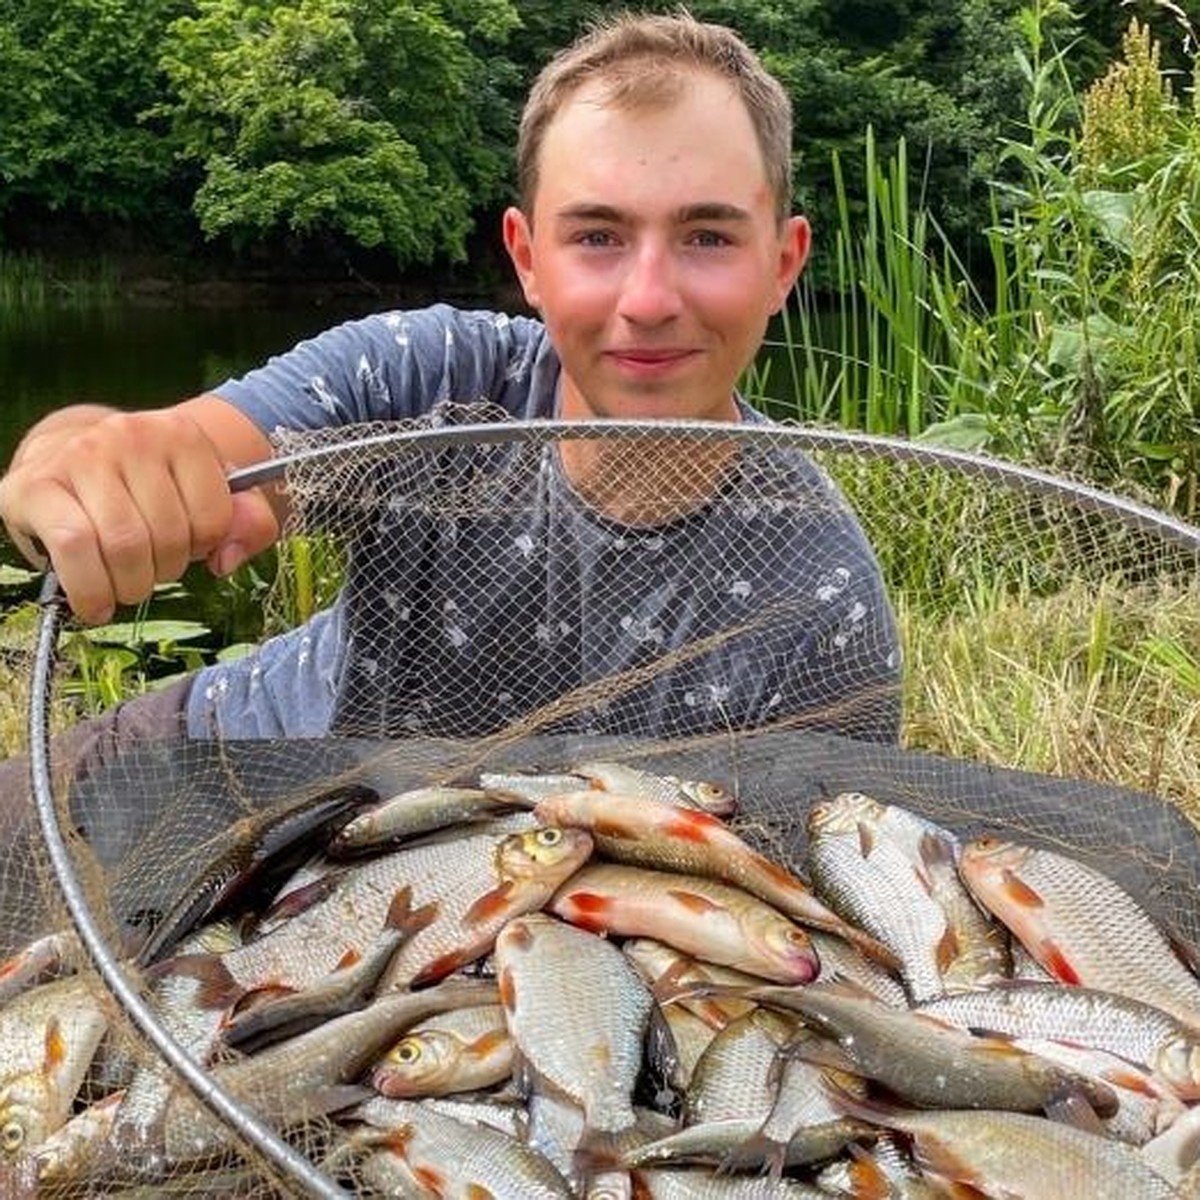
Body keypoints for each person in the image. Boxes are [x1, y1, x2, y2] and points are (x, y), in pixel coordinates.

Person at [0, 12, 901, 765]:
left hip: (474, 896)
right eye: (597, 236)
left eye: (707, 237)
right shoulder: (430, 380)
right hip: (218, 748)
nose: (650, 300)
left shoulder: (822, 598)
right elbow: (182, 442)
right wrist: (78, 458)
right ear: (527, 257)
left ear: (783, 265)